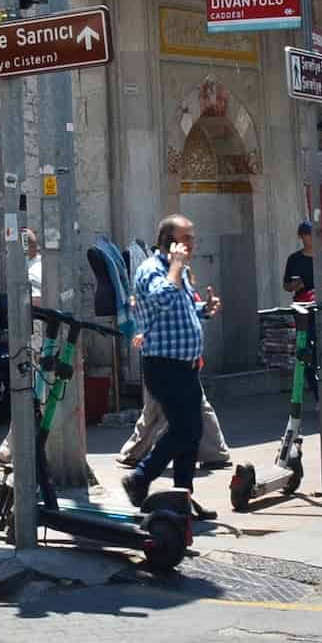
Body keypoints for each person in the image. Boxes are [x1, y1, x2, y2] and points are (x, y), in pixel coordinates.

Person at [121, 214, 220, 522]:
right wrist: (176, 266)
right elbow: (162, 299)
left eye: (192, 237)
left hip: (186, 366)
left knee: (192, 433)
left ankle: (182, 497)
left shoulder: (182, 271)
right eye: (187, 238)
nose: (193, 244)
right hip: (164, 366)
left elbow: (184, 308)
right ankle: (140, 477)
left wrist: (205, 309)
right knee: (185, 428)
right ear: (169, 242)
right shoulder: (151, 269)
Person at [0, 229, 43, 467]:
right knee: (29, 400)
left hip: (38, 346)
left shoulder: (33, 272)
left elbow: (37, 302)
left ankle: (18, 453)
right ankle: (9, 451)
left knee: (33, 399)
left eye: (9, 250)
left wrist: (17, 304)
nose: (6, 255)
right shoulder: (36, 268)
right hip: (36, 345)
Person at [284, 220, 322, 301]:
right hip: (303, 305)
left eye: (316, 234)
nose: (312, 237)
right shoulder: (294, 259)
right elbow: (286, 285)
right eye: (308, 234)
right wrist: (293, 286)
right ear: (300, 236)